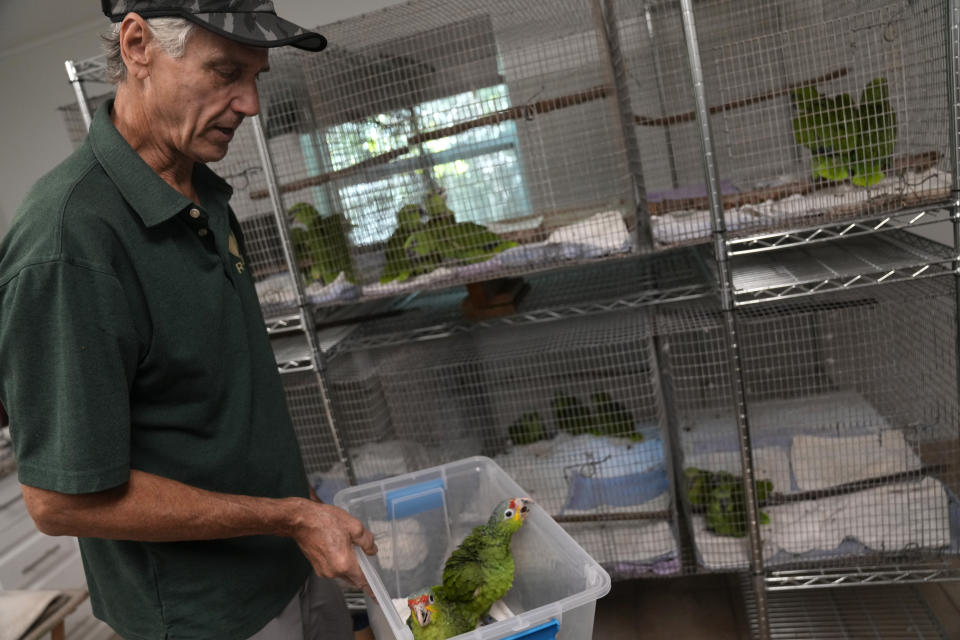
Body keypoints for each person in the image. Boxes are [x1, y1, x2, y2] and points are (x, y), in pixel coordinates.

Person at [0, 2, 378, 639]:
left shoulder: (203, 191)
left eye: (256, 77)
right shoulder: (71, 241)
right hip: (206, 615)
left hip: (292, 562)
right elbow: (60, 499)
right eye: (225, 71)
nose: (250, 104)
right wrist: (289, 517)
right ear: (138, 45)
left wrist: (298, 514)